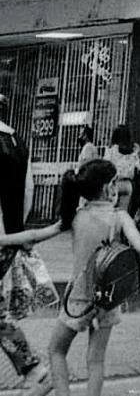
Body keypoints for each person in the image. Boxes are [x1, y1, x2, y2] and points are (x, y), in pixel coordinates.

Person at [47, 159, 140, 396]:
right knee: (95, 360)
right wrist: (128, 271)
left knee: (57, 350)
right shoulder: (119, 217)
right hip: (108, 298)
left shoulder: (76, 217)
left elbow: (43, 233)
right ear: (107, 188)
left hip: (78, 298)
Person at [0, 93, 56, 392]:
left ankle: (33, 368)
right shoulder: (18, 142)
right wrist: (17, 233)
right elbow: (29, 189)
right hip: (9, 238)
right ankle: (32, 369)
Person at [103, 126, 140, 213]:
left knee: (111, 212)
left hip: (114, 183)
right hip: (128, 184)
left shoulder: (111, 150)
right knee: (123, 213)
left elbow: (105, 165)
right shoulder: (133, 152)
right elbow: (139, 168)